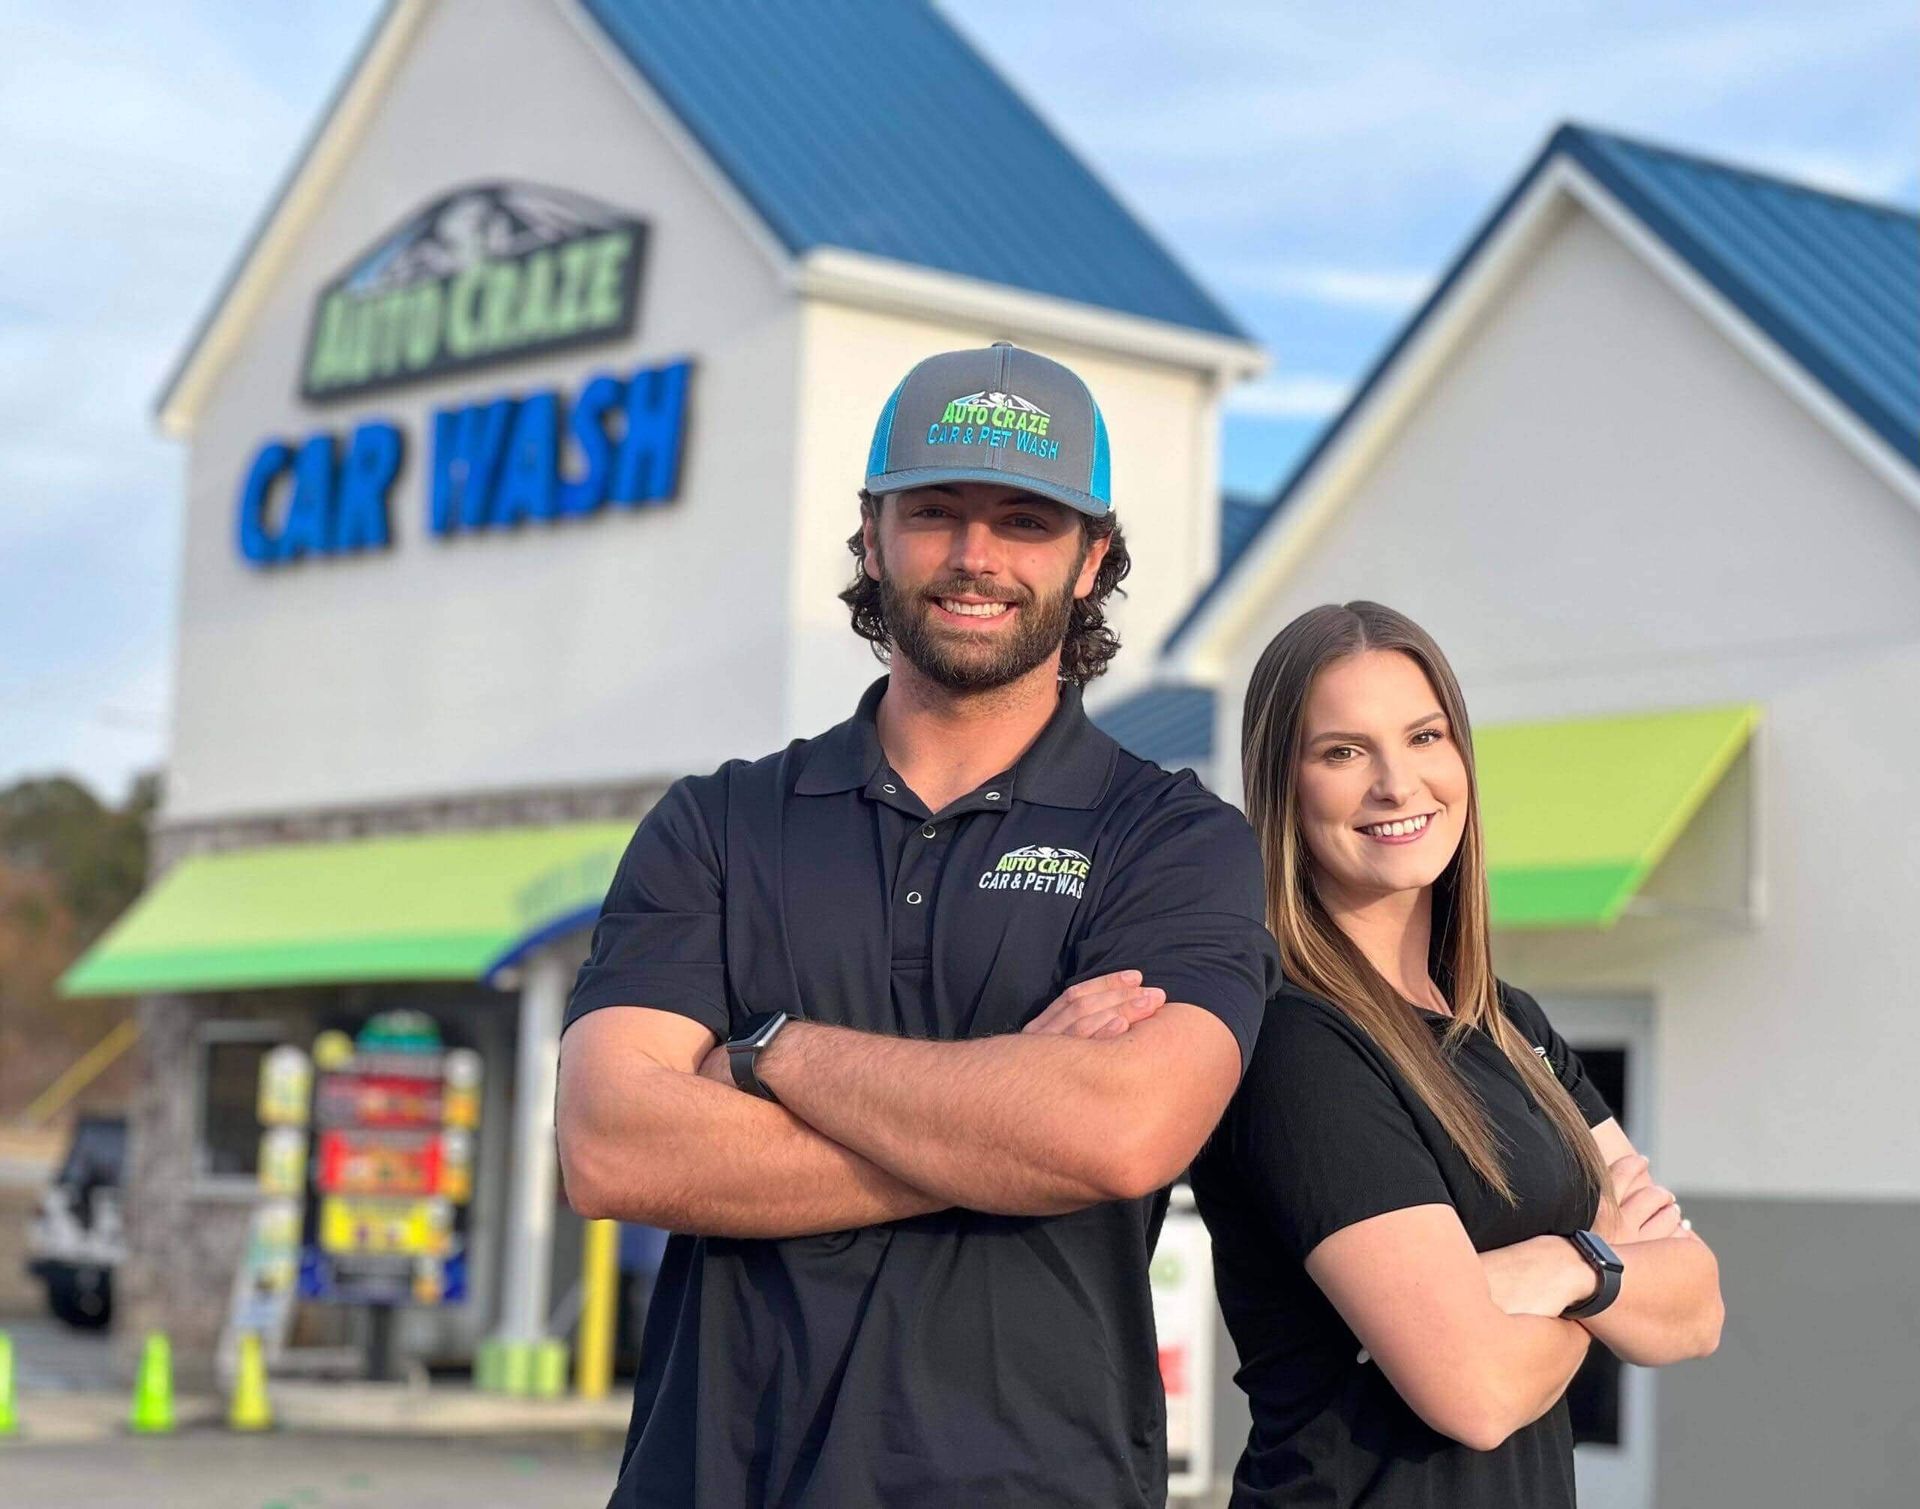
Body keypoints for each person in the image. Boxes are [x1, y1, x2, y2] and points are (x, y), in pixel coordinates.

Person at [556, 342, 1281, 1508]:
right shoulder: (720, 823)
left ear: (1093, 558)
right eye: (936, 511)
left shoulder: (1173, 842)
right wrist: (1009, 1133)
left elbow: (1122, 1133)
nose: (975, 555)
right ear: (871, 535)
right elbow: (611, 1147)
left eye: (1025, 521)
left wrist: (769, 1053)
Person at [1190, 601, 1724, 1508]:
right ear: (1284, 787)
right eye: (1343, 751)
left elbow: (1698, 1306)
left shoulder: (1511, 1025)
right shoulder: (1295, 1040)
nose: (1397, 783)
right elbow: (1474, 1388)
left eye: (1424, 735)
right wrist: (1613, 1274)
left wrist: (1565, 1266)